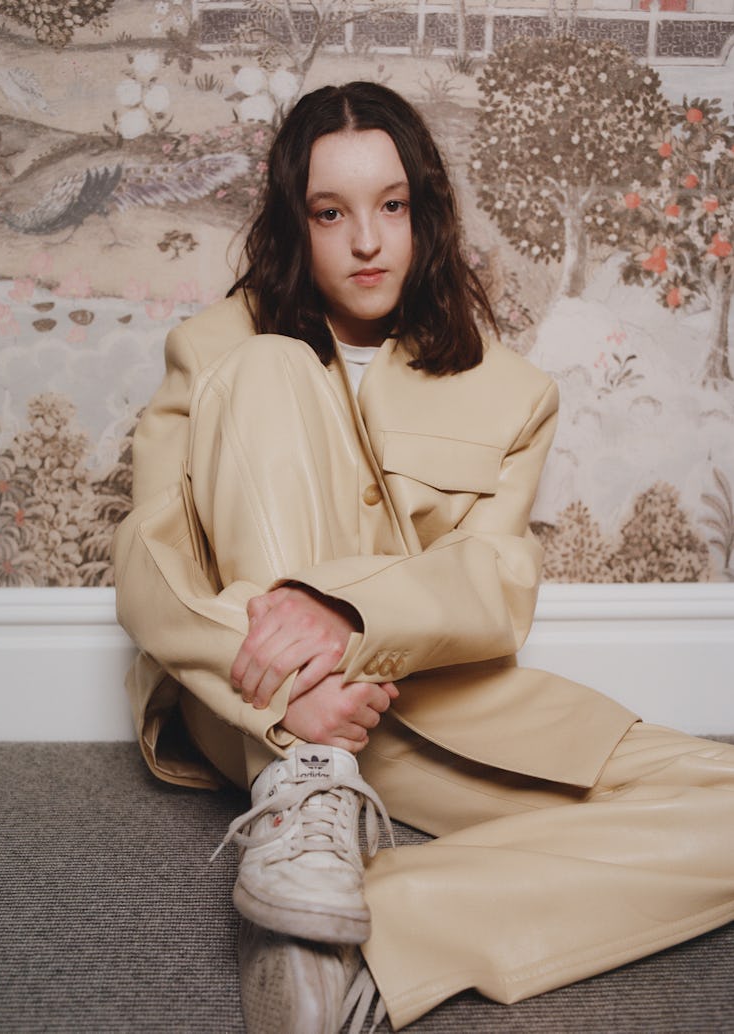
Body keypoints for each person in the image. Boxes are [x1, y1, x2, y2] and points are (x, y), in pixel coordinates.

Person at [113, 81, 734, 1033]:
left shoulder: (512, 392)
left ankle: (370, 937)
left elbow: (493, 583)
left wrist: (347, 612)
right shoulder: (217, 348)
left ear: (425, 215)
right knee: (273, 362)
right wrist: (289, 697)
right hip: (263, 708)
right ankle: (306, 792)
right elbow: (152, 568)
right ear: (296, 223)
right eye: (332, 212)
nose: (367, 241)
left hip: (441, 708)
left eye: (391, 207)